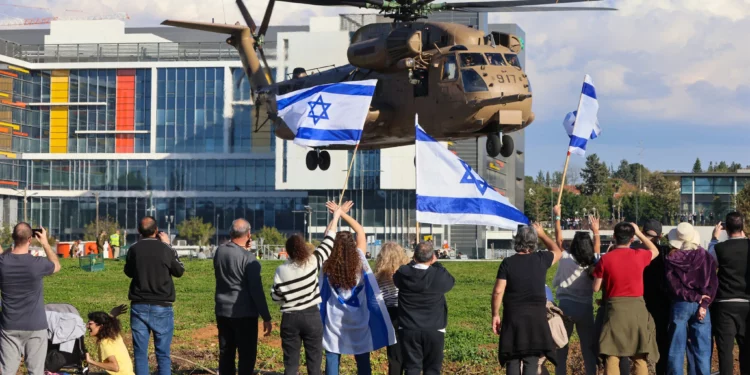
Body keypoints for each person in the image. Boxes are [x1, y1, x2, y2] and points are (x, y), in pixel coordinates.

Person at [271, 201, 351, 375]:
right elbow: (329, 240)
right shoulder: (312, 262)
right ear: (303, 248)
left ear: (288, 251)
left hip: (290, 318)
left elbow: (276, 298)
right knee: (314, 361)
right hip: (311, 316)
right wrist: (337, 215)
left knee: (291, 362)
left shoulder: (281, 270)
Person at [319, 207, 396, 375]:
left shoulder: (328, 263)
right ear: (352, 244)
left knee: (332, 355)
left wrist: (336, 216)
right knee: (362, 356)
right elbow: (360, 230)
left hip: (335, 319)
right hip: (359, 318)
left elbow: (327, 235)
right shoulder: (360, 260)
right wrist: (343, 213)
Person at [492, 223, 562, 375]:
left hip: (513, 318)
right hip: (536, 319)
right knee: (531, 359)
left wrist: (495, 314)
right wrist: (542, 234)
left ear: (517, 241)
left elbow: (498, 291)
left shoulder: (507, 263)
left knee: (512, 357)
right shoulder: (541, 259)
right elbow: (558, 251)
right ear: (534, 242)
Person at [592, 222, 660, 375]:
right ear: (632, 239)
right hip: (637, 309)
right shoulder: (639, 255)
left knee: (612, 354)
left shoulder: (606, 259)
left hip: (615, 310)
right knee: (639, 355)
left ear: (614, 237)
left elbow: (596, 288)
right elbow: (654, 250)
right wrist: (639, 233)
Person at [124, 216, 185, 375]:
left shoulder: (134, 249)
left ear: (139, 231)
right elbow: (179, 271)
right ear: (157, 231)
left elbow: (128, 272)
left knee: (140, 353)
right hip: (162, 306)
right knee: (163, 354)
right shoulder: (165, 249)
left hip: (139, 305)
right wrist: (168, 245)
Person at [0, 225, 61, 375]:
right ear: (30, 239)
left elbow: (4, 256)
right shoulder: (37, 263)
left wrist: (9, 250)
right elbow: (57, 266)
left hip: (9, 325)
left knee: (7, 371)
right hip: (36, 325)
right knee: (36, 371)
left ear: (13, 238)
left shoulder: (2, 263)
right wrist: (45, 243)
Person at [214, 219, 272, 375]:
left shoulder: (220, 251)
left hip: (222, 310)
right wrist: (266, 316)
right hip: (244, 313)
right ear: (248, 234)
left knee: (226, 352)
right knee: (246, 356)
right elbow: (256, 290)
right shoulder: (249, 259)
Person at [663, 222, 718, 375]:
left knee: (676, 348)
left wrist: (694, 296)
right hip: (702, 305)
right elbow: (713, 283)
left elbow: (674, 286)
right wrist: (703, 302)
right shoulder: (705, 256)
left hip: (680, 304)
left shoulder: (671, 258)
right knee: (702, 350)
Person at [551, 205, 599, 375]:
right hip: (585, 308)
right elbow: (597, 251)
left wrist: (557, 217)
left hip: (565, 307)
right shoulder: (593, 263)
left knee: (561, 347)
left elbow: (558, 240)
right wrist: (596, 232)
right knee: (588, 349)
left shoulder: (565, 258)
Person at [395, 241, 455, 375]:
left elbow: (397, 278)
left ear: (414, 256)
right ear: (433, 257)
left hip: (409, 327)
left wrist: (413, 263)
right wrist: (437, 263)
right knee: (433, 369)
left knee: (411, 368)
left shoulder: (403, 273)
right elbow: (451, 282)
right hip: (434, 328)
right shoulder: (439, 275)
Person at [708, 212, 750, 375]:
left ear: (725, 228)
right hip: (747, 302)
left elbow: (710, 264)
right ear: (743, 226)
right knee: (746, 347)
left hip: (724, 302)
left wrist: (714, 238)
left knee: (725, 349)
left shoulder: (719, 248)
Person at [633, 219, 671, 375]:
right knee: (663, 343)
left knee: (637, 346)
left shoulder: (634, 251)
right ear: (660, 235)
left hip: (639, 302)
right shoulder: (666, 252)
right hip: (663, 302)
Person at [376, 242, 409, 375]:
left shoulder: (378, 277)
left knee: (394, 354)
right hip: (406, 312)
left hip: (388, 314)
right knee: (409, 352)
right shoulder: (407, 274)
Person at [85, 304, 135, 375]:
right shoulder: (114, 335)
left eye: (90, 324)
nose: (87, 326)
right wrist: (112, 314)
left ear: (101, 326)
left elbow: (115, 367)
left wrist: (90, 361)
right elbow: (107, 322)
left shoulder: (104, 343)